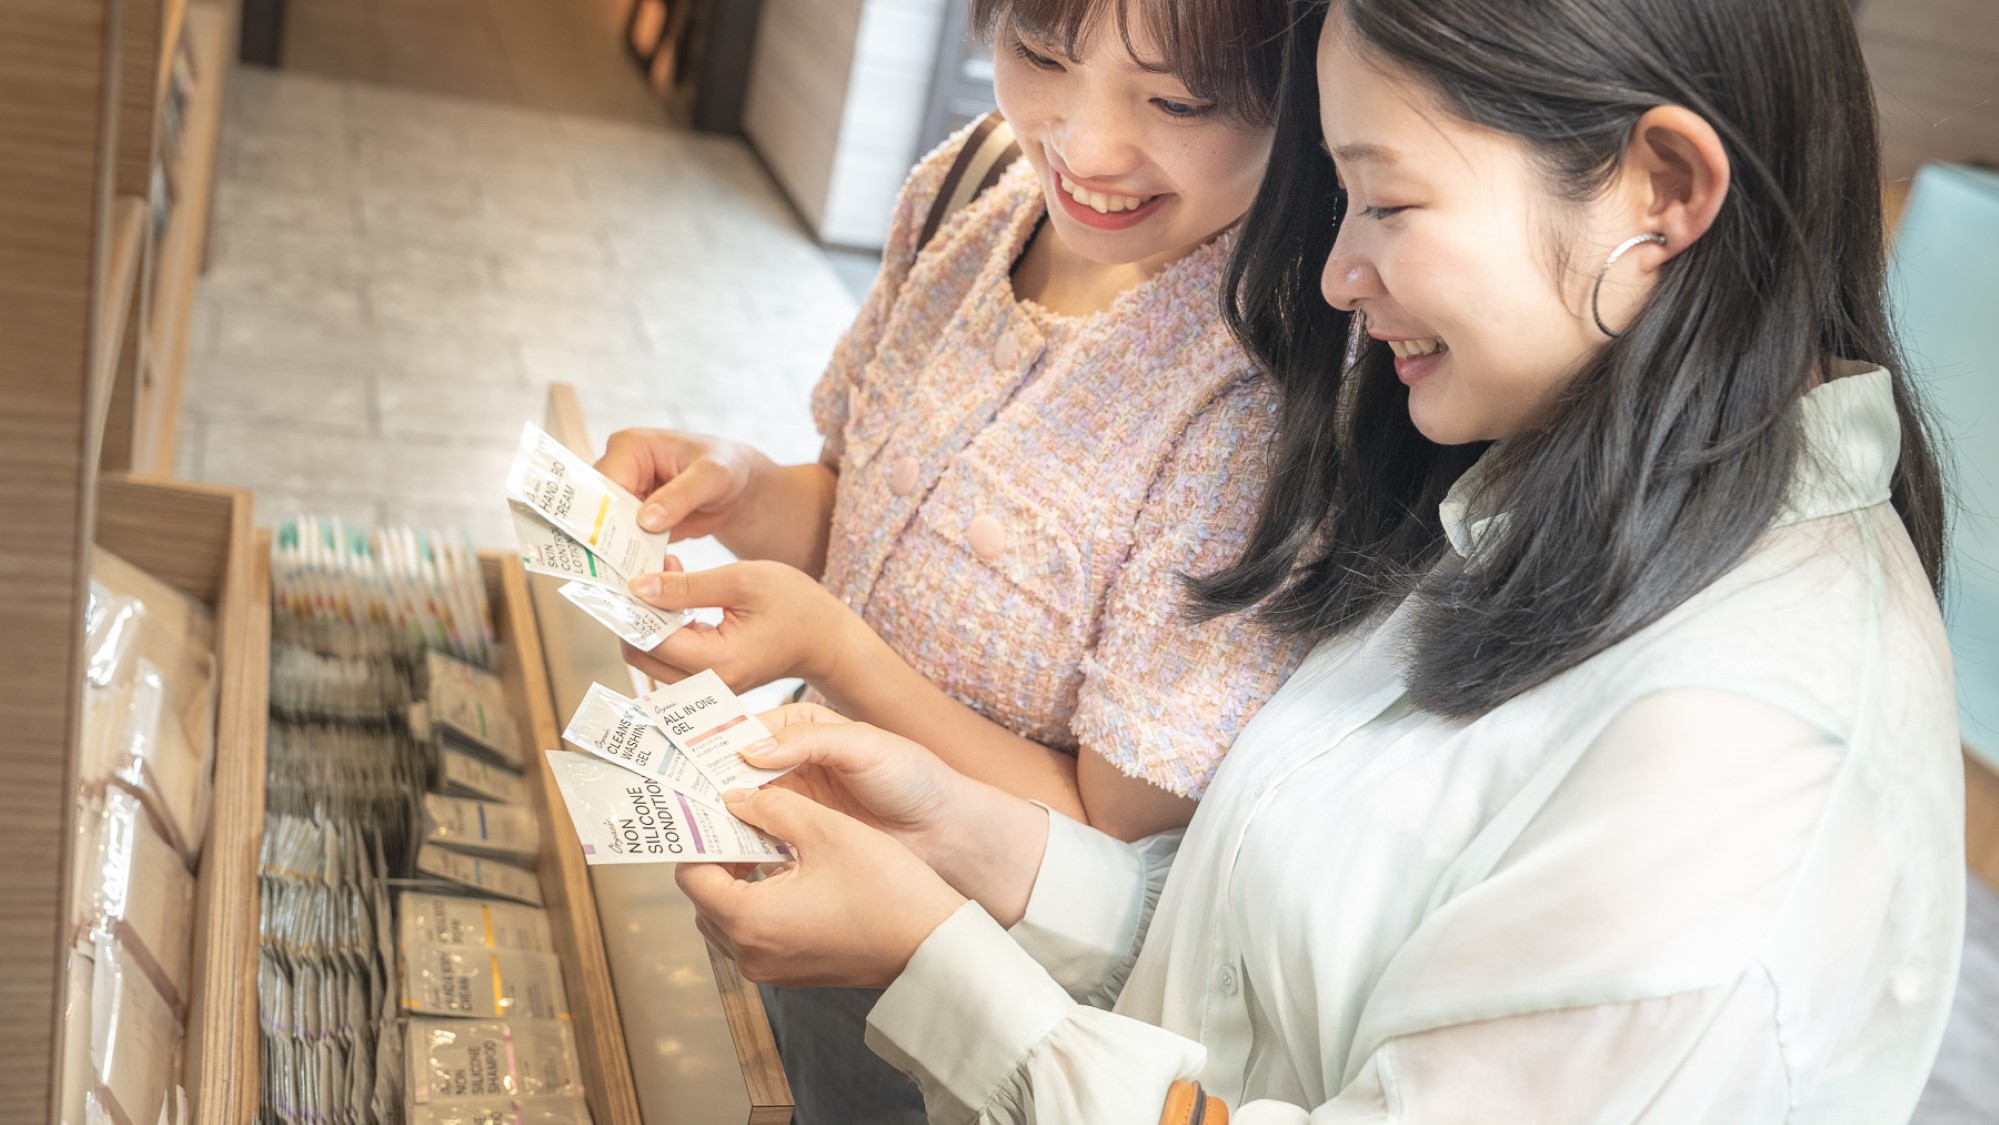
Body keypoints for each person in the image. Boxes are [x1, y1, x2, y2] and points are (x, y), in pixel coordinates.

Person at [676, 0, 1967, 1121]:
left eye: (1388, 200)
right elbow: (1247, 961)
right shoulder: (1513, 506)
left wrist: (939, 966)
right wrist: (962, 840)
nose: (1340, 274)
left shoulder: (1748, 759)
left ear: (1660, 191)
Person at [596, 1, 1304, 1118]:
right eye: (1040, 54)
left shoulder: (1266, 389)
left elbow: (1112, 834)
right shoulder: (971, 189)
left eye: (1176, 101)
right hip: (796, 857)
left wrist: (839, 649)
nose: (1086, 145)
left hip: (982, 1002)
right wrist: (739, 486)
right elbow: (856, 512)